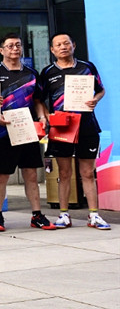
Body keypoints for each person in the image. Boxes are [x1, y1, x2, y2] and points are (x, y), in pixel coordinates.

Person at [39, 33, 110, 230]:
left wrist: (95, 99)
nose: (63, 47)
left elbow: (101, 90)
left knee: (87, 172)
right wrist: (46, 116)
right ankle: (63, 214)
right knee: (64, 172)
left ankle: (94, 215)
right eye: (58, 45)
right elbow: (39, 98)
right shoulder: (47, 72)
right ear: (52, 50)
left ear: (73, 45)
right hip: (61, 127)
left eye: (66, 43)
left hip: (87, 125)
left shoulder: (87, 67)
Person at [0, 33, 53, 231]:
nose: (15, 49)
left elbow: (38, 100)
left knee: (31, 174)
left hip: (27, 130)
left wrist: (41, 117)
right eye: (10, 46)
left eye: (18, 45)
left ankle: (37, 215)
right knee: (2, 175)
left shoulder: (31, 73)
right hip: (4, 132)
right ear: (1, 50)